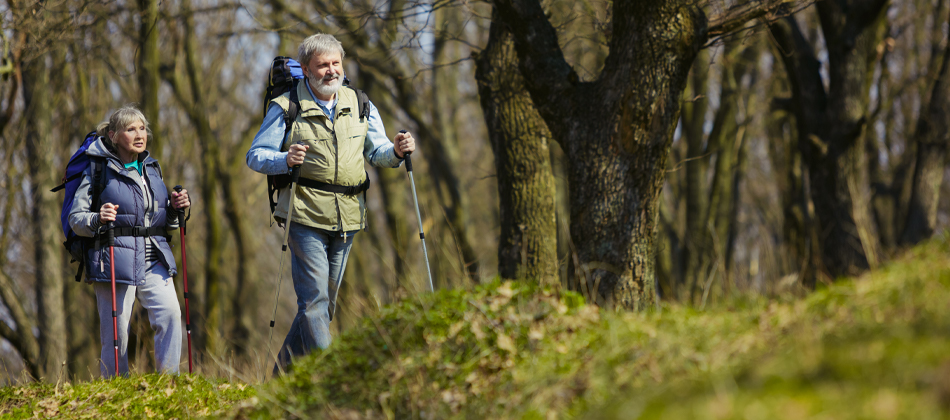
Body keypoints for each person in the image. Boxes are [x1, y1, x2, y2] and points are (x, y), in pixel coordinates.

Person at [247, 33, 415, 371]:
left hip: (348, 217)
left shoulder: (361, 103)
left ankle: (283, 377)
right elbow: (256, 155)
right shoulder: (286, 106)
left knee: (324, 307)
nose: (331, 70)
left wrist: (396, 151)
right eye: (322, 65)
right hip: (304, 214)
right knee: (314, 302)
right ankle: (332, 375)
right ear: (307, 69)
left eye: (336, 63)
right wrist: (285, 159)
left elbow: (377, 151)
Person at [69, 106, 191, 377]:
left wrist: (176, 208)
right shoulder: (97, 170)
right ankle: (114, 390)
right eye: (131, 129)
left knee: (170, 314)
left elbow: (164, 223)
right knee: (116, 333)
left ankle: (170, 384)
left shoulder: (152, 169)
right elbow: (75, 219)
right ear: (113, 135)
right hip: (113, 258)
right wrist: (97, 218)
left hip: (153, 256)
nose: (140, 134)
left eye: (142, 128)